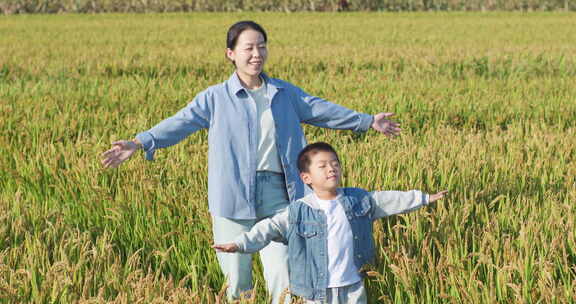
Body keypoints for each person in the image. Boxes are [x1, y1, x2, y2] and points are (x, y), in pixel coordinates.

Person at [101, 20, 401, 304]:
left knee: (283, 275)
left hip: (281, 195)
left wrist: (366, 121)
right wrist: (139, 142)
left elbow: (321, 109)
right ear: (231, 54)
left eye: (262, 46)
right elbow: (180, 123)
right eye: (248, 48)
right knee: (236, 281)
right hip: (232, 197)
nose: (256, 54)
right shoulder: (215, 97)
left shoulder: (284, 93)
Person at [213, 142, 448, 304]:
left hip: (353, 285)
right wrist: (240, 244)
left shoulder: (357, 200)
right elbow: (268, 228)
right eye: (322, 166)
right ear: (306, 178)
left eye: (335, 163)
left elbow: (389, 199)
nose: (331, 169)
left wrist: (424, 198)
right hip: (316, 291)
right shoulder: (298, 211)